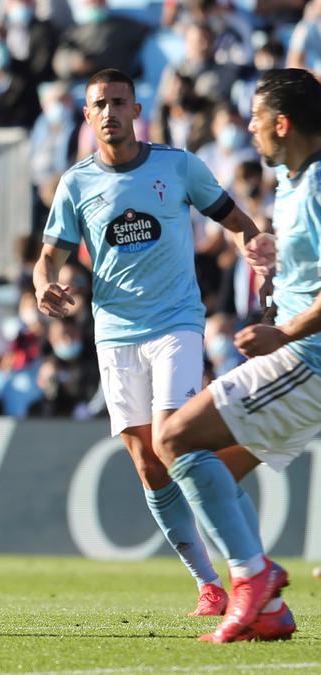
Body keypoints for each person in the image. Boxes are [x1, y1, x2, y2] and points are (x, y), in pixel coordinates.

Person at [34, 69, 276, 618]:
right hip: (115, 333)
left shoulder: (178, 165)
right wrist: (42, 283)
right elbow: (50, 255)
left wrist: (259, 258)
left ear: (137, 109)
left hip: (175, 325)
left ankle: (248, 567)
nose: (110, 111)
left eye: (119, 101)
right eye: (100, 103)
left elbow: (236, 220)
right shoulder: (76, 184)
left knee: (173, 439)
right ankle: (209, 584)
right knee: (148, 463)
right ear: (88, 115)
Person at [157, 67, 321, 644]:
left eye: (255, 118)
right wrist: (281, 267)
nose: (247, 128)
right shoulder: (293, 181)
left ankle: (254, 579)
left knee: (174, 439)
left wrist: (286, 330)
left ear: (283, 122)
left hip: (311, 362)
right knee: (213, 478)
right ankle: (268, 609)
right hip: (299, 352)